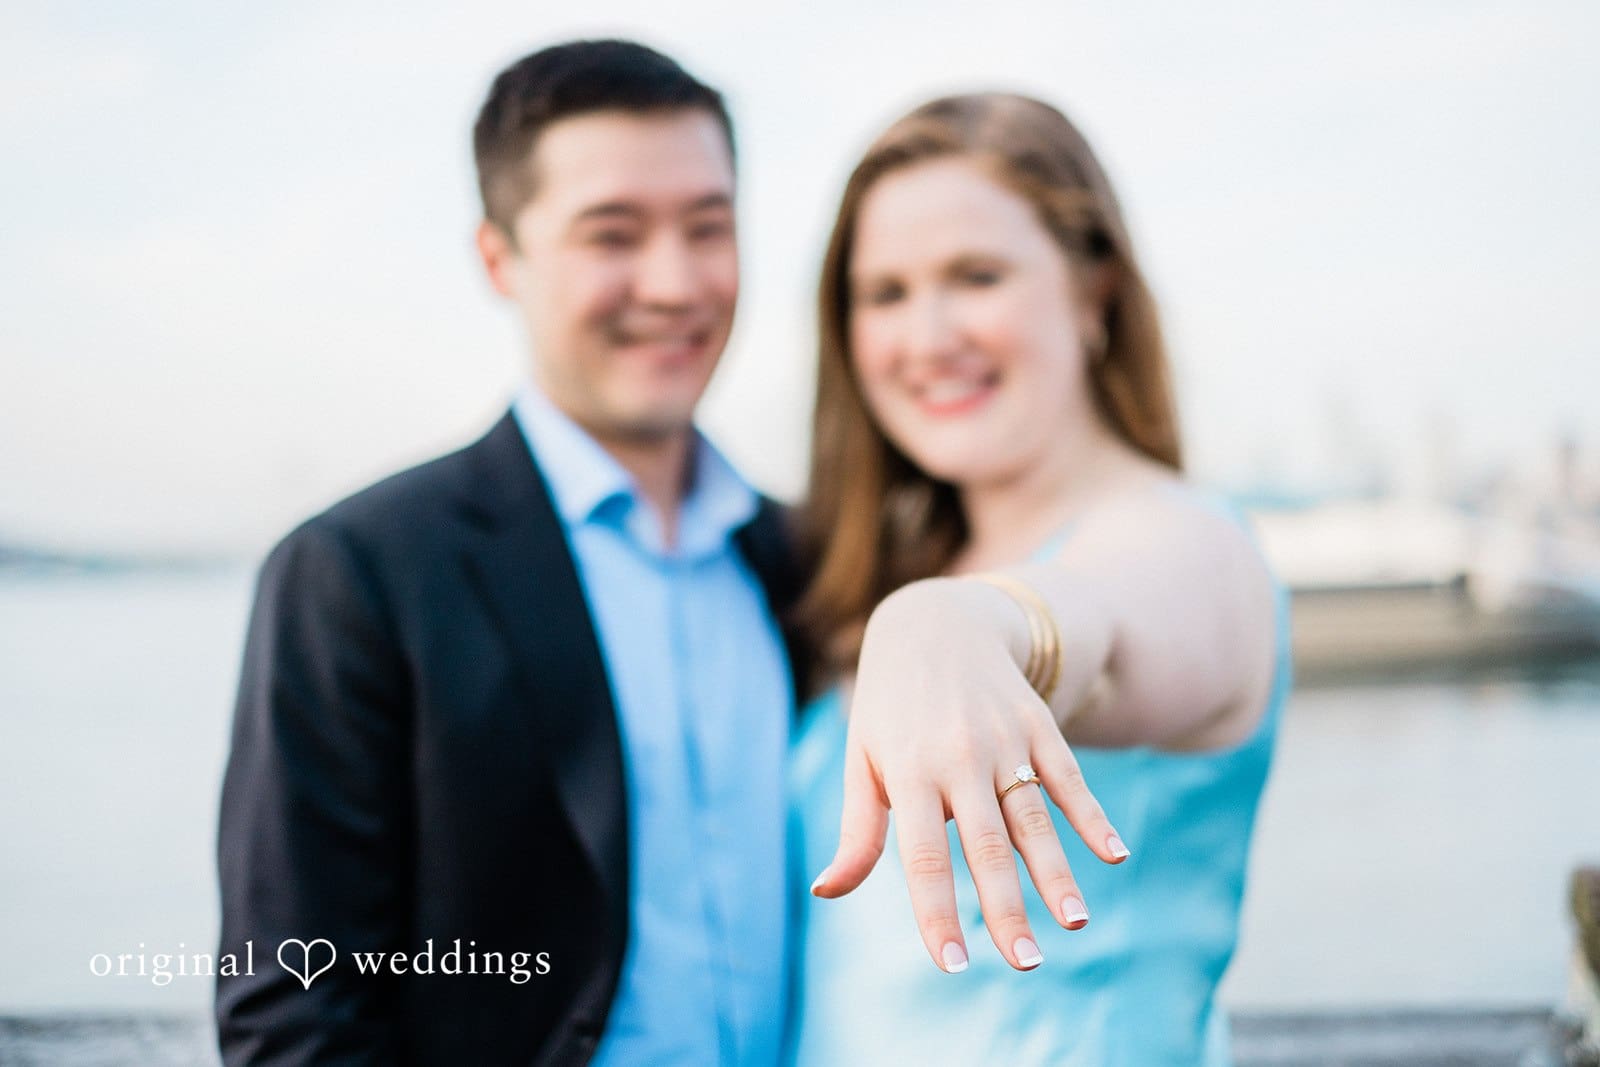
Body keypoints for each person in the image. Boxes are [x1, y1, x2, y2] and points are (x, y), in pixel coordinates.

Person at [215, 40, 808, 1065]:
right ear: (500, 258)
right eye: (611, 234)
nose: (673, 283)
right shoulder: (358, 569)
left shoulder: (803, 556)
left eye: (707, 228)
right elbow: (296, 1007)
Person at [789, 93, 1292, 1064]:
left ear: (1093, 286)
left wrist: (955, 625)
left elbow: (1098, 623)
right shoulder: (884, 561)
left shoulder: (1188, 541)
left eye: (975, 276)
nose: (926, 334)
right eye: (884, 292)